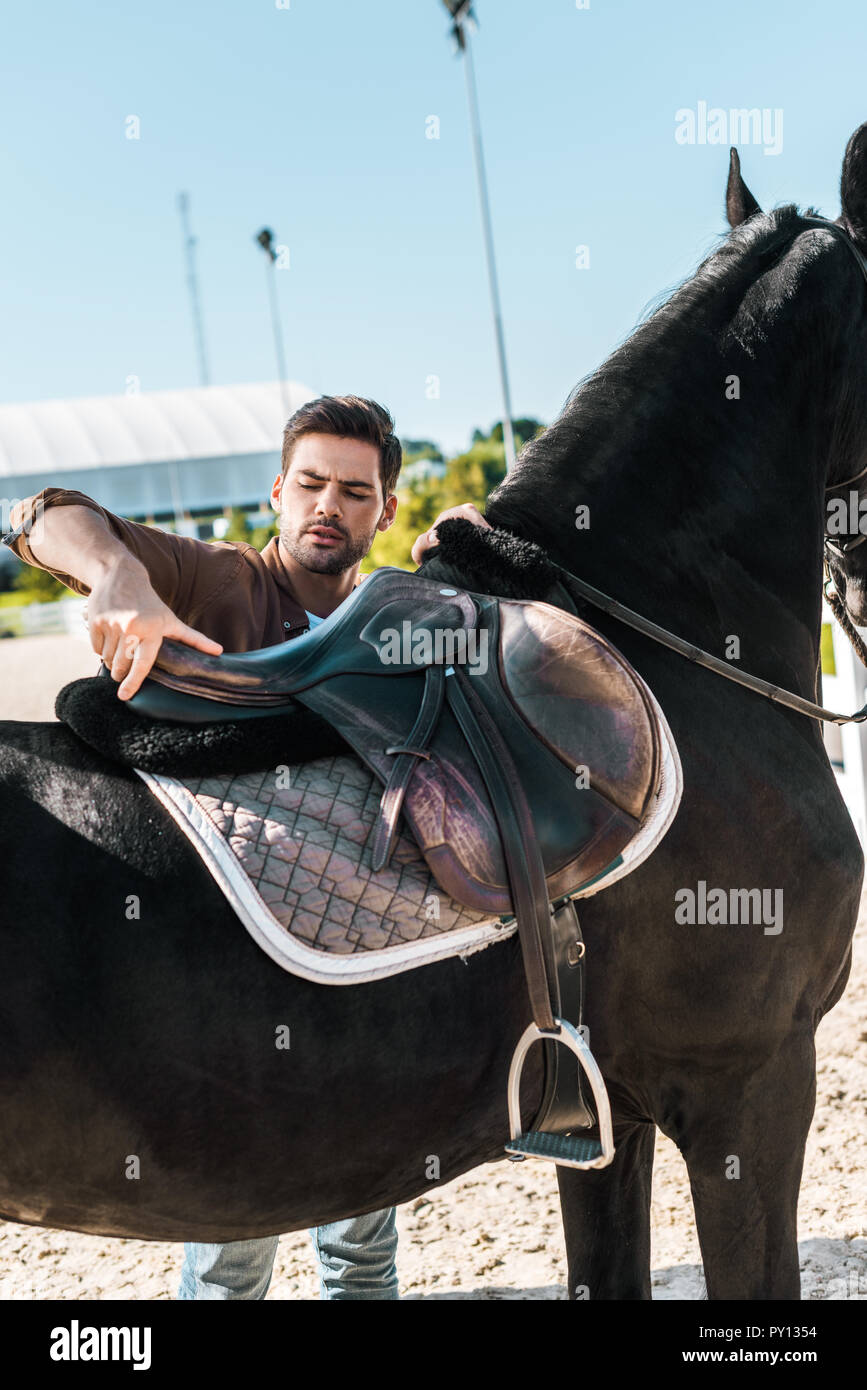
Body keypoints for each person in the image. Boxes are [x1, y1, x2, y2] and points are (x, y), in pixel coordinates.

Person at [4, 392, 486, 1300]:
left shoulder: (400, 617)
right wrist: (117, 576)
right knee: (232, 1251)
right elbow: (42, 517)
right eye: (309, 483)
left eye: (354, 491)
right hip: (226, 981)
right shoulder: (217, 578)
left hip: (363, 974)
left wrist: (477, 543)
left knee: (363, 1246)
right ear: (276, 492)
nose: (327, 507)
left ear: (384, 510)